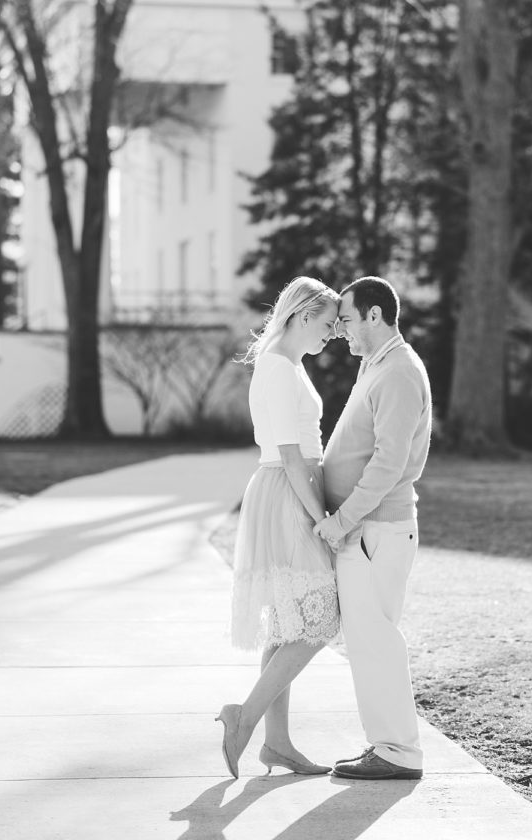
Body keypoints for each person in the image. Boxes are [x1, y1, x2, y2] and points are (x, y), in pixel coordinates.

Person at [216, 276, 341, 779]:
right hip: (289, 496)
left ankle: (278, 744)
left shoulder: (287, 365)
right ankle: (243, 717)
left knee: (289, 622)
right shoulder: (276, 368)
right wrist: (322, 520)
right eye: (329, 324)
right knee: (322, 618)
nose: (333, 334)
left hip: (291, 489)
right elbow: (290, 455)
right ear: (303, 315)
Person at [314, 276, 431, 781]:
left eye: (346, 318)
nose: (340, 329)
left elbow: (388, 464)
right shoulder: (376, 367)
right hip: (367, 532)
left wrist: (342, 520)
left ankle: (398, 752)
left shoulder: (399, 372)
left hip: (376, 531)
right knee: (366, 638)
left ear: (375, 316)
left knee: (375, 638)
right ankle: (388, 747)